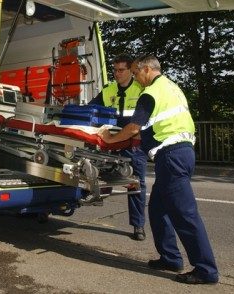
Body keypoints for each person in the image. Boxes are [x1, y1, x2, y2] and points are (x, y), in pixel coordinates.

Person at [99, 55, 219, 285]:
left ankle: (206, 270)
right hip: (179, 154)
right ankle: (170, 257)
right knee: (157, 208)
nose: (135, 77)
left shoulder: (150, 93)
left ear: (146, 69)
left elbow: (134, 128)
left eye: (135, 72)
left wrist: (110, 139)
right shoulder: (172, 88)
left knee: (185, 214)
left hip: (172, 156)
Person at [89, 54, 147, 241]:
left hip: (133, 144)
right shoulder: (108, 90)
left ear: (131, 70)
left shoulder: (141, 89)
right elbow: (90, 109)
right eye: (114, 70)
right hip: (112, 142)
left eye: (121, 70)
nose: (117, 73)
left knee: (136, 182)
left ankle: (138, 225)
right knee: (94, 174)